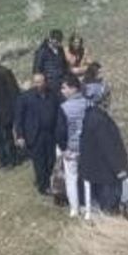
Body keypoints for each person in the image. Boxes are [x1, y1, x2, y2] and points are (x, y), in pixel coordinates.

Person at [78, 103, 128, 216]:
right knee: (110, 208)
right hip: (107, 174)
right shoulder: (101, 120)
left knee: (99, 207)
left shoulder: (88, 116)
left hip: (94, 171)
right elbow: (110, 147)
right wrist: (120, 170)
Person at [13, 73, 58, 195]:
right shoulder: (25, 97)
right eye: (37, 82)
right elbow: (19, 118)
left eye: (41, 82)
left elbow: (57, 111)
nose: (39, 84)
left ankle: (50, 181)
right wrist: (20, 136)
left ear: (45, 82)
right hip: (34, 135)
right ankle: (43, 186)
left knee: (51, 160)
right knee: (39, 161)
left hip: (50, 134)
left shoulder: (52, 95)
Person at [54, 75, 90, 217]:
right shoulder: (89, 104)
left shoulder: (64, 107)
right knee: (88, 179)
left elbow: (60, 131)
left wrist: (63, 148)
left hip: (71, 149)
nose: (62, 91)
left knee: (71, 179)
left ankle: (74, 209)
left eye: (64, 88)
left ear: (73, 88)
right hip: (87, 147)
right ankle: (88, 208)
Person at [33, 29, 67, 93]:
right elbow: (37, 68)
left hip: (62, 79)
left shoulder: (60, 49)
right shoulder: (42, 51)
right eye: (56, 40)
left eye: (60, 40)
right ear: (50, 39)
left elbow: (64, 64)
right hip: (49, 82)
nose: (58, 42)